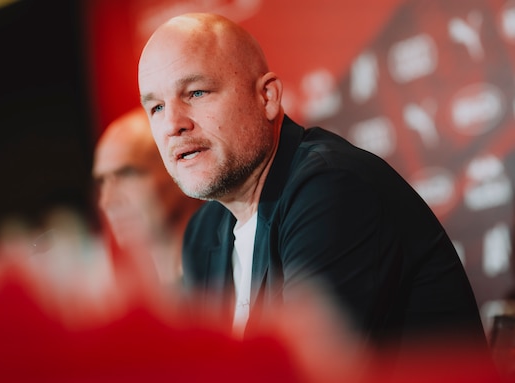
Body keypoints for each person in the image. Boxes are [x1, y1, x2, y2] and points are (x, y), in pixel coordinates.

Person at [137, 13, 487, 348]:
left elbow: (303, 370)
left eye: (196, 93)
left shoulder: (332, 189)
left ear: (267, 97)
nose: (172, 125)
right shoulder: (203, 234)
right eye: (156, 108)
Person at [93, 108, 201, 286]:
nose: (108, 201)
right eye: (102, 182)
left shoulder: (236, 277)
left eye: (127, 174)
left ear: (178, 169)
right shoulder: (128, 297)